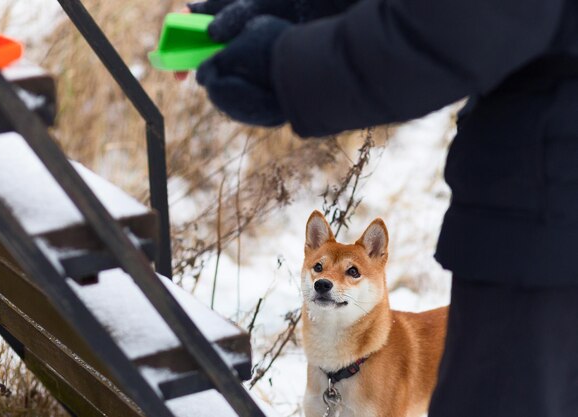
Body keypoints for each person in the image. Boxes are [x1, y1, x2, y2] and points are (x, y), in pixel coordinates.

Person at [185, 0, 578, 415]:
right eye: (320, 269)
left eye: (350, 272)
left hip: (543, 224)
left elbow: (459, 25)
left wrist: (285, 64)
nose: (326, 279)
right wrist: (278, 9)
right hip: (535, 214)